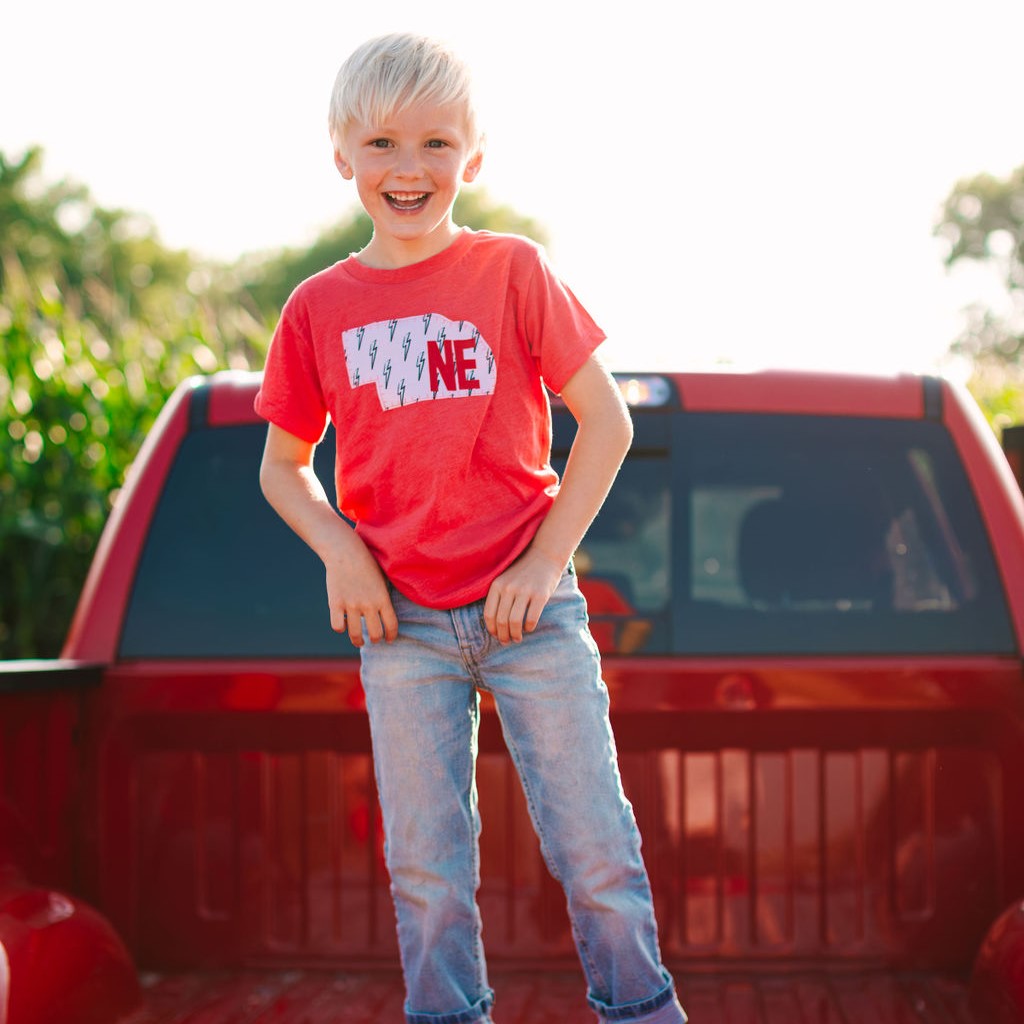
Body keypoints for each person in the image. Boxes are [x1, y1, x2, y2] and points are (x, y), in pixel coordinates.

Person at [254, 32, 687, 1024]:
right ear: (341, 155)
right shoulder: (318, 307)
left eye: (436, 144)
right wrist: (340, 547)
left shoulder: (512, 271)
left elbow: (607, 423)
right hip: (400, 626)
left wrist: (543, 561)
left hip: (527, 610)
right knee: (425, 867)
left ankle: (642, 1013)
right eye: (382, 144)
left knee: (595, 849)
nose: (409, 168)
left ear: (474, 157)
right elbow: (283, 470)